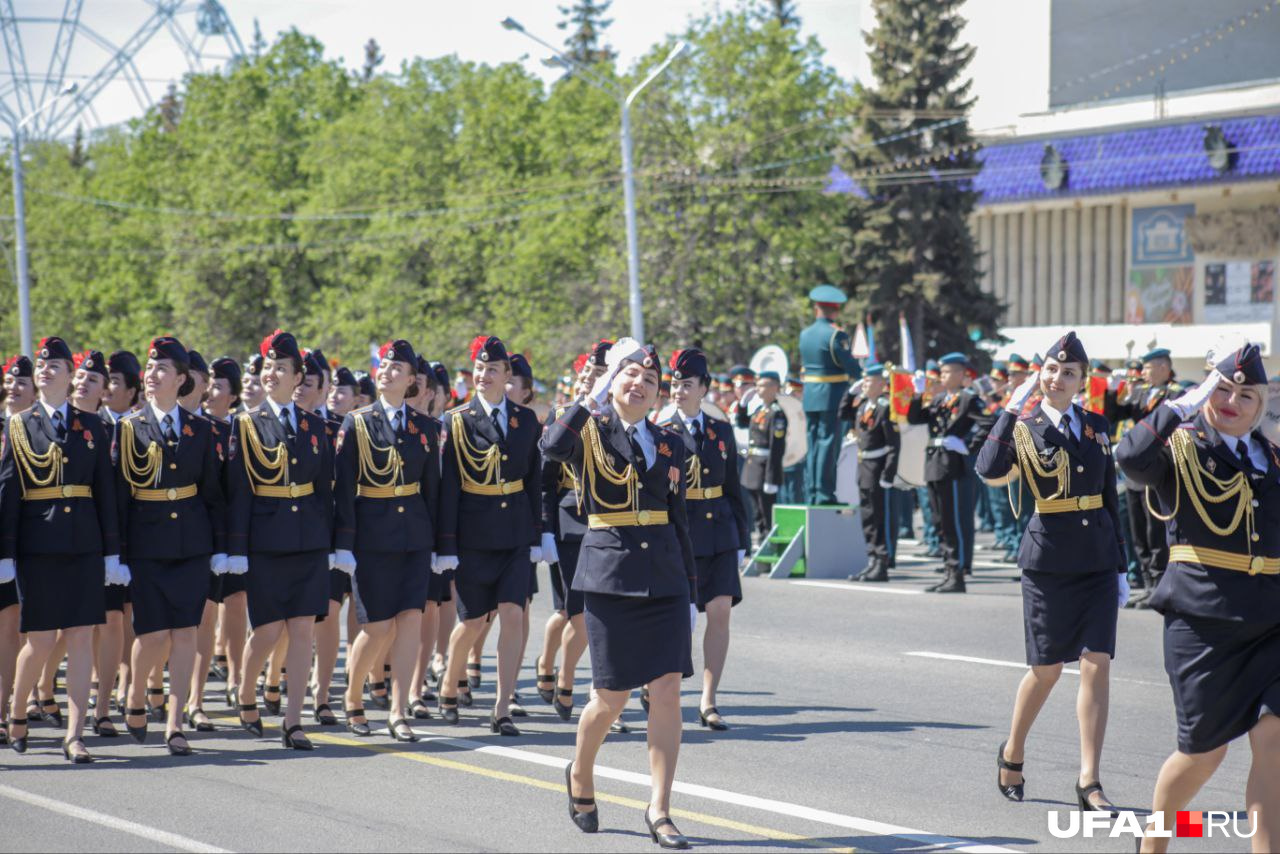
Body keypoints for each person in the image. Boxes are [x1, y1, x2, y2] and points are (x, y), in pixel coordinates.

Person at [1116, 344, 1279, 853]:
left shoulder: (1272, 457)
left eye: (1245, 395)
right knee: (1204, 755)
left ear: (1262, 404)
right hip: (1202, 623)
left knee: (1274, 742)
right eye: (1222, 389)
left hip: (1271, 622)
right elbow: (1129, 458)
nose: (1232, 401)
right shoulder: (1178, 448)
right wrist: (1180, 406)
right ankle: (1155, 840)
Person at [543, 338, 697, 847]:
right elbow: (550, 449)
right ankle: (581, 773)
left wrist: (690, 591)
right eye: (630, 375)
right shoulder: (588, 428)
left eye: (650, 380)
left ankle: (660, 807)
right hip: (610, 573)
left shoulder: (671, 441)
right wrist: (593, 395)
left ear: (658, 395)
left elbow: (678, 519)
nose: (640, 384)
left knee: (668, 691)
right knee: (611, 697)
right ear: (614, 381)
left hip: (665, 577)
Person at [976, 331, 1128, 814]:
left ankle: (1089, 780)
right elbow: (987, 466)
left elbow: (1109, 497)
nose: (1057, 378)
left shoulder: (1098, 426)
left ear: (1082, 381)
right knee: (1046, 670)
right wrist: (1008, 409)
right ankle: (1013, 749)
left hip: (1098, 559)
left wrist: (1121, 564)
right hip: (1049, 560)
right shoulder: (1023, 424)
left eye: (1068, 373)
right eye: (1050, 370)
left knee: (1095, 663)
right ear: (1039, 373)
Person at [0, 336, 123, 763]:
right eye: (43, 365)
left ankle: (74, 733)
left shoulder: (93, 427)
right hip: (39, 546)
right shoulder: (19, 425)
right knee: (40, 640)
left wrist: (112, 553)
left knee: (81, 638)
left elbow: (106, 493)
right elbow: (9, 493)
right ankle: (17, 711)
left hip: (84, 544)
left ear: (70, 377)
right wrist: (5, 554)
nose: (47, 370)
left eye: (56, 365)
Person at [114, 337, 227, 756]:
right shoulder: (128, 428)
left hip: (192, 544)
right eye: (150, 367)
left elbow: (214, 493)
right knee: (151, 633)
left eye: (162, 369)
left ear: (181, 379)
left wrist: (220, 547)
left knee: (185, 634)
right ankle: (137, 695)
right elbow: (119, 497)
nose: (152, 374)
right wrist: (117, 553)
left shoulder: (201, 429)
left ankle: (176, 722)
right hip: (147, 544)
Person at [226, 330, 333, 751]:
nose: (271, 374)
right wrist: (235, 549)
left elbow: (326, 488)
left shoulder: (314, 426)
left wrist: (335, 540)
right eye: (268, 367)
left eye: (281, 369)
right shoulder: (247, 423)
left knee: (303, 629)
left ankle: (293, 720)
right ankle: (247, 690)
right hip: (266, 540)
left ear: (298, 377)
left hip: (308, 538)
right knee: (268, 631)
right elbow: (238, 491)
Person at [434, 335, 540, 736]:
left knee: (513, 614)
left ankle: (502, 706)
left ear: (507, 376)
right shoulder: (456, 420)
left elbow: (532, 482)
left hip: (513, 532)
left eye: (492, 369)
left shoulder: (525, 420)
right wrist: (446, 544)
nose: (483, 375)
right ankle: (449, 681)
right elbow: (448, 488)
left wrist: (537, 535)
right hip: (473, 534)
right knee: (473, 621)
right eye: (479, 368)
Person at [334, 339, 440, 743]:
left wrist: (441, 545)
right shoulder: (357, 423)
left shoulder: (427, 428)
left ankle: (398, 709)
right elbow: (344, 488)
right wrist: (343, 542)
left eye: (398, 368)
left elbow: (434, 489)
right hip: (371, 536)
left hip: (414, 535)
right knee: (377, 627)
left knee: (410, 622)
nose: (388, 371)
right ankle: (352, 696)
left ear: (412, 381)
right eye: (385, 365)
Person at [660, 348, 748, 732]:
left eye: (686, 384)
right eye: (674, 384)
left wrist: (742, 537)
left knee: (720, 612)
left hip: (720, 531)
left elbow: (733, 488)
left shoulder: (721, 430)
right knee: (681, 618)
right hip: (682, 532)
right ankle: (662, 686)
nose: (678, 391)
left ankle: (709, 700)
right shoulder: (661, 430)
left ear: (704, 388)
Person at [187, 356, 245, 731]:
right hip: (196, 534)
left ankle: (229, 685)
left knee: (227, 611)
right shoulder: (194, 428)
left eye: (218, 385)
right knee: (198, 620)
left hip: (231, 534)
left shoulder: (239, 430)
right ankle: (187, 697)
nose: (210, 390)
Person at [906, 353, 989, 593]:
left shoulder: (968, 399)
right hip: (934, 464)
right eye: (941, 371)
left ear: (962, 374)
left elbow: (989, 424)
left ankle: (958, 572)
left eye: (948, 371)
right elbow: (915, 418)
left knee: (954, 521)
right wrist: (918, 394)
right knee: (939, 521)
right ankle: (948, 571)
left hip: (953, 465)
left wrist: (969, 446)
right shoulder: (939, 398)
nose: (942, 375)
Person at [1107, 348, 1176, 609]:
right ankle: (1148, 584)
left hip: (1157, 468)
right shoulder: (1142, 393)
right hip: (1136, 472)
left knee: (1155, 530)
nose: (1144, 372)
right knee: (1138, 532)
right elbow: (1115, 414)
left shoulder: (1174, 393)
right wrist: (1114, 389)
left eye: (1148, 367)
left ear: (1163, 368)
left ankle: (1160, 585)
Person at [799, 284, 861, 506]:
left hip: (810, 396)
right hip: (831, 396)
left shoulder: (805, 334)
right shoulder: (836, 335)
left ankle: (813, 492)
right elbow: (851, 367)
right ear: (835, 310)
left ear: (817, 308)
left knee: (813, 444)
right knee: (827, 444)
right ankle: (824, 494)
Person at [840, 362, 900, 582]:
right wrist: (850, 393)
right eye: (863, 380)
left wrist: (888, 474)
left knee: (879, 517)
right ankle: (871, 559)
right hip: (863, 467)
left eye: (869, 381)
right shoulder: (863, 404)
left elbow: (894, 444)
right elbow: (843, 413)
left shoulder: (885, 407)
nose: (864, 384)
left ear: (882, 384)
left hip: (877, 467)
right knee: (867, 517)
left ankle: (882, 562)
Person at [736, 372, 787, 545]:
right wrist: (742, 404)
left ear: (774, 388)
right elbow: (742, 423)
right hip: (752, 467)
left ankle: (770, 547)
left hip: (765, 469)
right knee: (757, 514)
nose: (757, 388)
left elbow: (776, 448)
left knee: (767, 514)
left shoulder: (776, 414)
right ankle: (763, 545)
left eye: (762, 385)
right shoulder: (760, 410)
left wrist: (771, 477)